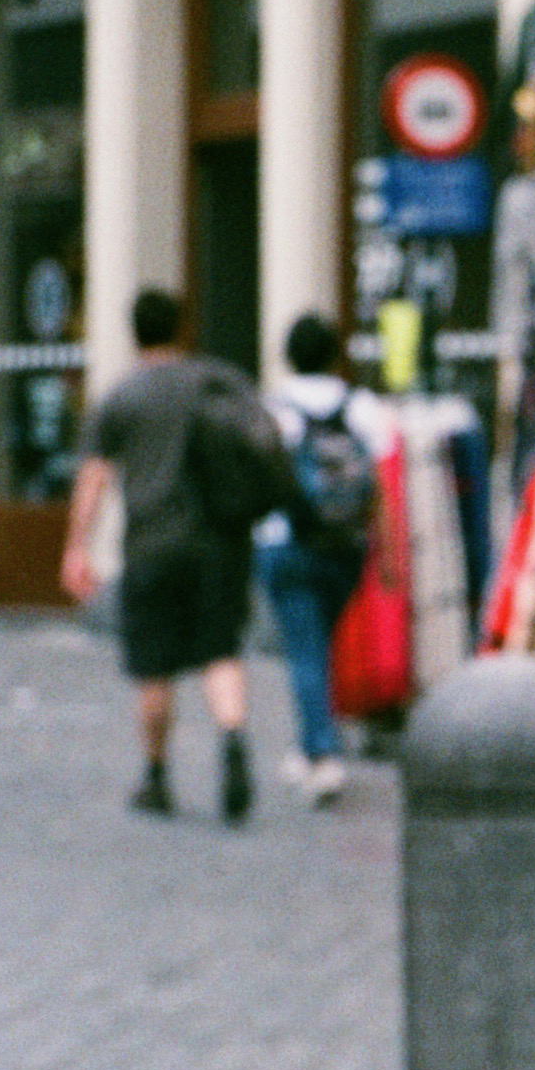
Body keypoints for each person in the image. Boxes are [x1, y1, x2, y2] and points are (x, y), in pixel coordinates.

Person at [59, 289, 287, 823]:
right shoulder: (219, 381)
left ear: (133, 333)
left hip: (151, 545)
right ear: (183, 328)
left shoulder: (121, 397)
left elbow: (93, 479)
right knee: (221, 649)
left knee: (154, 666)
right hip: (219, 543)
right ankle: (232, 737)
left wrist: (76, 549)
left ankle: (157, 777)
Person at [255, 314, 386, 806]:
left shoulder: (274, 409)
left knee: (305, 649)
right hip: (345, 549)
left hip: (286, 544)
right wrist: (387, 553)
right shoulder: (363, 407)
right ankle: (309, 744)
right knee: (318, 646)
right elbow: (379, 491)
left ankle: (323, 753)